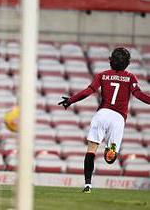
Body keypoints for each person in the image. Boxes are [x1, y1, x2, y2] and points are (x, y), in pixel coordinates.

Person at [58, 47, 150, 193]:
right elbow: (138, 94)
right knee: (111, 158)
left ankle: (88, 185)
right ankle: (111, 149)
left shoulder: (102, 75)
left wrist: (70, 100)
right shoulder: (130, 77)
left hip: (101, 115)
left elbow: (88, 91)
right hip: (118, 118)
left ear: (110, 61)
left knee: (91, 150)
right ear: (127, 63)